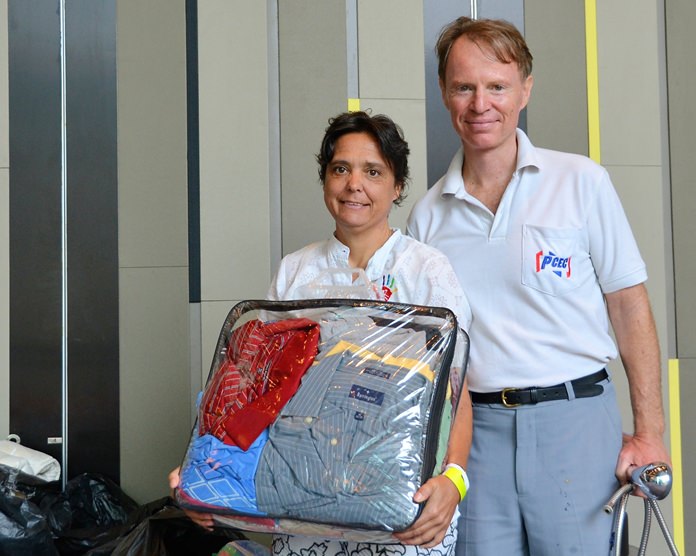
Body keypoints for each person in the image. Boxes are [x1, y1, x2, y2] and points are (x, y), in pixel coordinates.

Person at [406, 16, 671, 555]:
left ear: (525, 89)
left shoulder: (581, 182)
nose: (481, 104)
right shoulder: (426, 218)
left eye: (497, 86)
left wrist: (650, 434)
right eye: (465, 87)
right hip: (474, 436)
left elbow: (628, 305)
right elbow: (427, 355)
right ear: (444, 93)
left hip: (576, 423)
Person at [170, 111, 473, 556]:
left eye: (373, 172)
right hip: (301, 503)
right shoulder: (297, 270)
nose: (355, 184)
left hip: (398, 507)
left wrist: (454, 480)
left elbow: (457, 393)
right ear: (325, 179)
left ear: (398, 185)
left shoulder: (426, 270)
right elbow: (258, 387)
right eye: (340, 169)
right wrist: (205, 472)